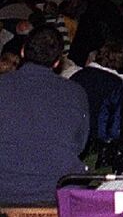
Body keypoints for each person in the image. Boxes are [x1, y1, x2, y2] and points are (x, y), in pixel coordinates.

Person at [0, 25, 89, 204]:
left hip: (5, 188)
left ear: (23, 52)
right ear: (57, 61)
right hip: (57, 191)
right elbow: (80, 143)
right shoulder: (75, 93)